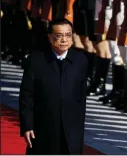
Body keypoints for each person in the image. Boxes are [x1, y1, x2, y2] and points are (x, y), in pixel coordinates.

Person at [19, 18, 89, 154]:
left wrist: (79, 128)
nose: (64, 39)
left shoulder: (80, 60)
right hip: (43, 126)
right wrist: (27, 125)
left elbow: (81, 98)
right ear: (50, 38)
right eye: (59, 36)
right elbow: (26, 96)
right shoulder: (36, 60)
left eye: (68, 35)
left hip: (71, 130)